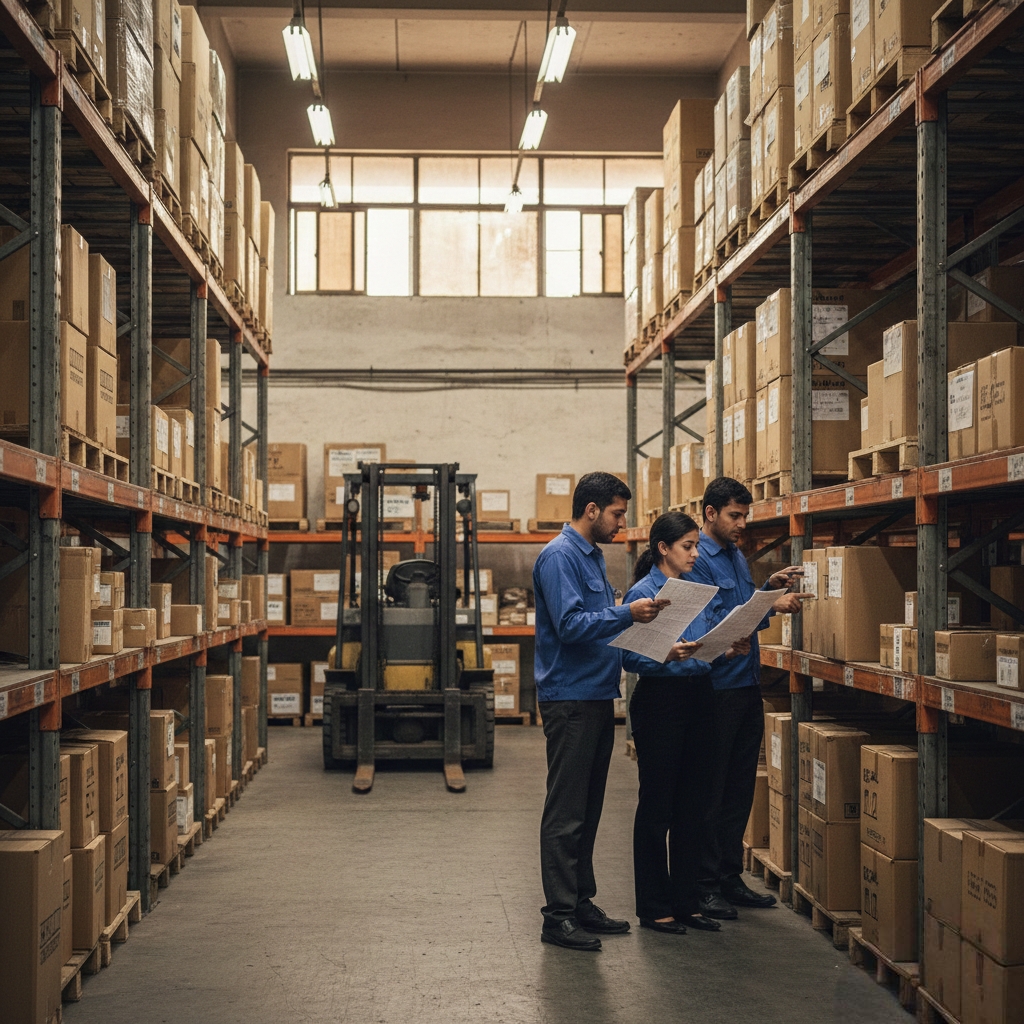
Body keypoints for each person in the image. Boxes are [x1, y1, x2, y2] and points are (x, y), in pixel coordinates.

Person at [533, 471, 668, 952]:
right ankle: (558, 915)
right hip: (568, 699)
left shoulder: (591, 558)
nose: (621, 523)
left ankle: (581, 901)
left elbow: (597, 623)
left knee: (588, 809)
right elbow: (570, 626)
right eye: (617, 513)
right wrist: (627, 613)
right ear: (591, 510)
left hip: (594, 695)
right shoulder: (559, 557)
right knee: (565, 811)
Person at [621, 510, 750, 935]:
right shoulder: (643, 594)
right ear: (663, 548)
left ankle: (688, 902)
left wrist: (726, 648)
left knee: (695, 804)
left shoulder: (695, 591)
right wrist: (665, 653)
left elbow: (704, 644)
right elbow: (628, 656)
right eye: (688, 546)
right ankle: (655, 906)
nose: (696, 553)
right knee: (658, 805)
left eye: (696, 545)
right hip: (660, 702)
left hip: (700, 697)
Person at [686, 477, 807, 919]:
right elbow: (709, 619)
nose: (741, 524)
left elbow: (743, 614)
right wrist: (767, 607)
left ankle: (728, 875)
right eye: (735, 516)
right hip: (715, 689)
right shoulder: (697, 558)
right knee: (711, 788)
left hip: (744, 684)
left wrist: (766, 591)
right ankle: (703, 883)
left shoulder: (736, 555)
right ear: (710, 513)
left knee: (738, 787)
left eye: (745, 516)